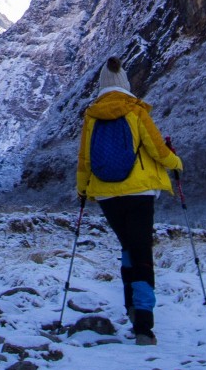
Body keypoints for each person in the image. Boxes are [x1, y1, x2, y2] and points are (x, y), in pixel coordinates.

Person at [75, 57, 182, 344]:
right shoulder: (135, 111)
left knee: (129, 248)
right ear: (125, 83)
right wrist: (176, 162)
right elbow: (157, 149)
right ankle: (144, 324)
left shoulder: (92, 115)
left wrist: (83, 190)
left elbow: (84, 159)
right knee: (141, 252)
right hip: (139, 193)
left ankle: (131, 307)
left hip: (107, 194)